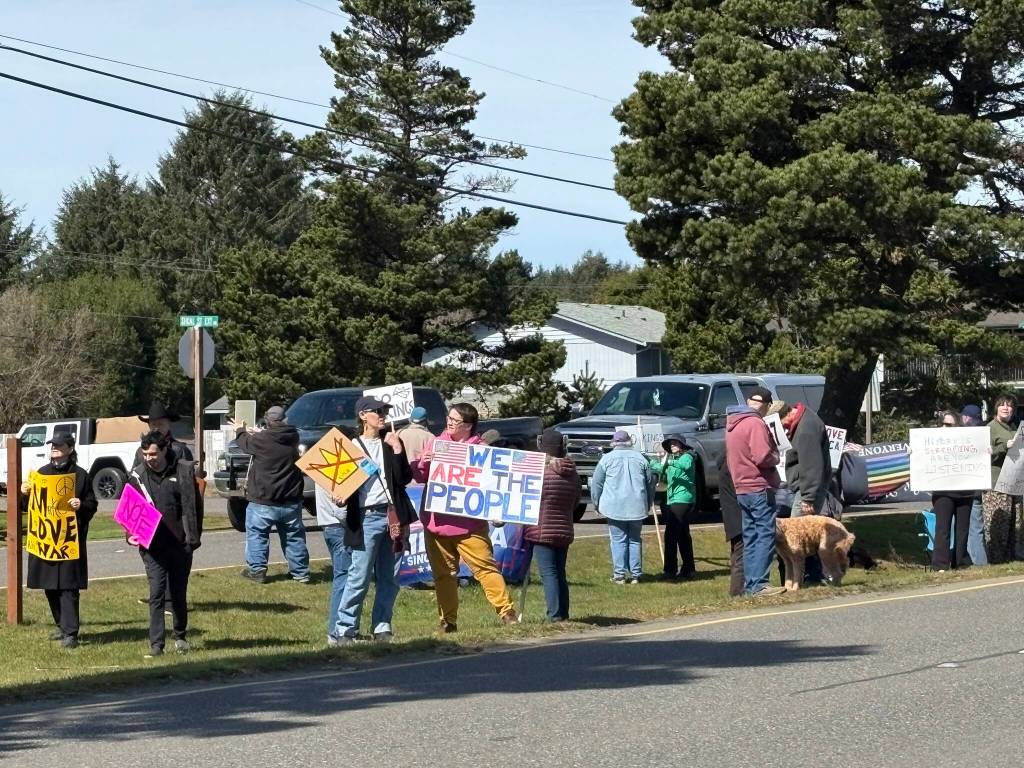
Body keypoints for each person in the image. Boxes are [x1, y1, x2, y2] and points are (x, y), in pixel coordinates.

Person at [412, 403, 518, 631]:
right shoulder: (436, 443)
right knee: (443, 575)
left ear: (468, 426)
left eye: (455, 420)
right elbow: (419, 476)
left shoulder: (480, 450)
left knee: (486, 569)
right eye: (448, 418)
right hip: (436, 522)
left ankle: (507, 612)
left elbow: (494, 485)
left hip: (469, 526)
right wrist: (424, 462)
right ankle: (447, 621)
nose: (449, 422)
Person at [331, 396, 417, 644]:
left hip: (393, 516)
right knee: (359, 576)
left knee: (390, 577)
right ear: (362, 415)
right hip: (366, 518)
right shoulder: (350, 447)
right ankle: (345, 629)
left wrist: (399, 450)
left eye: (385, 411)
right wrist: (340, 499)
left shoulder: (390, 443)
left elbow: (403, 479)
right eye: (377, 411)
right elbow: (342, 487)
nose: (383, 415)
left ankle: (382, 626)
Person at [128, 430, 202, 657]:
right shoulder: (137, 476)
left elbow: (194, 508)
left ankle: (180, 636)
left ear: (164, 450)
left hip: (180, 544)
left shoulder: (182, 472)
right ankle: (156, 645)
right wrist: (129, 534)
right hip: (152, 547)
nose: (149, 458)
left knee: (178, 594)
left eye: (153, 454)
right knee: (157, 593)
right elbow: (129, 509)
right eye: (145, 454)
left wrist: (193, 538)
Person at [22, 432, 98, 648]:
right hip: (46, 540)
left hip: (69, 541)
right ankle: (61, 625)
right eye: (52, 445)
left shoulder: (81, 475)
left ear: (70, 449)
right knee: (49, 586)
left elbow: (92, 504)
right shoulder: (41, 474)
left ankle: (71, 633)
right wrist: (24, 494)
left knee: (68, 587)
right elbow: (29, 508)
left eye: (58, 445)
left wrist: (80, 505)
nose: (53, 449)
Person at [233, 406, 310, 584]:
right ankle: (300, 573)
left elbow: (244, 442)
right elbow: (273, 437)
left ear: (268, 421)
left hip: (263, 499)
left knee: (257, 535)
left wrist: (239, 429)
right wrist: (258, 432)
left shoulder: (261, 440)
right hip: (290, 499)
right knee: (294, 537)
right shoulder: (293, 437)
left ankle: (257, 570)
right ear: (285, 419)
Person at [725, 386, 785, 597]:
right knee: (764, 535)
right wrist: (776, 457)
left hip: (741, 487)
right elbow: (762, 457)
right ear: (766, 406)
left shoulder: (733, 424)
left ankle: (750, 585)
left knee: (750, 536)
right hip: (758, 485)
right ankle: (759, 584)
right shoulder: (755, 423)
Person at [134, 402, 193, 612]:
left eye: (159, 423)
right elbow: (135, 479)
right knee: (154, 562)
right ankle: (159, 597)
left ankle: (171, 600)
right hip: (150, 512)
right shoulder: (141, 451)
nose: (156, 426)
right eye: (152, 424)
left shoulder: (181, 450)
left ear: (168, 423)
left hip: (173, 511)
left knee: (175, 560)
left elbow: (189, 485)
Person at [525, 429, 579, 621]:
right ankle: (563, 613)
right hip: (564, 527)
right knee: (560, 572)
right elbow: (576, 503)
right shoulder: (572, 473)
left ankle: (554, 615)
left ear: (541, 446)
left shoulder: (540, 473)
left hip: (542, 529)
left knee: (548, 573)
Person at [779, 399, 832, 585]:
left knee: (797, 535)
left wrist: (808, 497)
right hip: (804, 488)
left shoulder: (806, 430)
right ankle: (814, 576)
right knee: (806, 534)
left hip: (807, 491)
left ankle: (808, 577)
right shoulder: (803, 421)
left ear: (788, 415)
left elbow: (812, 465)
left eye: (782, 424)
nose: (783, 428)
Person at [591, 430, 655, 585]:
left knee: (618, 540)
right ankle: (636, 574)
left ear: (614, 442)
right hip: (637, 505)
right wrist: (649, 502)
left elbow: (596, 484)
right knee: (634, 539)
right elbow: (650, 483)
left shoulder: (606, 459)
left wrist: (596, 503)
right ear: (629, 441)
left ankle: (619, 575)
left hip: (614, 505)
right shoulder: (641, 458)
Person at [649, 434, 697, 580]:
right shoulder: (671, 460)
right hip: (672, 499)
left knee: (670, 535)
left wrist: (669, 463)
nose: (672, 446)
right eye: (670, 444)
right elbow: (659, 468)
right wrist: (648, 461)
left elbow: (685, 466)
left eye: (675, 443)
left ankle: (670, 571)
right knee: (682, 535)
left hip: (683, 499)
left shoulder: (688, 456)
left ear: (682, 445)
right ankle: (688, 569)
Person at [931, 410, 974, 571]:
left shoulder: (966, 441)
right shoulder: (932, 441)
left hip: (964, 491)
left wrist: (985, 451)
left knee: (963, 529)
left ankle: (961, 562)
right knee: (942, 528)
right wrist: (913, 453)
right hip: (943, 491)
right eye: (941, 424)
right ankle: (940, 564)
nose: (944, 427)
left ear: (957, 426)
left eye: (948, 424)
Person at [984, 394, 1021, 562]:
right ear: (996, 408)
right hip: (996, 483)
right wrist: (1003, 447)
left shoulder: (1015, 428)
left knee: (1015, 523)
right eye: (1003, 405)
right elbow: (983, 456)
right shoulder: (990, 428)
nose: (1006, 408)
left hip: (1015, 482)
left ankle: (1011, 558)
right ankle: (996, 560)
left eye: (1010, 405)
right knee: (998, 524)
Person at [315, 484, 351, 646]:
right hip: (339, 526)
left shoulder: (322, 464)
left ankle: (337, 629)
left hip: (328, 524)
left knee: (343, 577)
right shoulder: (335, 469)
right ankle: (336, 631)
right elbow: (340, 508)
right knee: (344, 579)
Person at [961, 404, 988, 566]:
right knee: (975, 528)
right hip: (976, 487)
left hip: (964, 489)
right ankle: (975, 561)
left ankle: (980, 563)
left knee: (971, 528)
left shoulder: (960, 434)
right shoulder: (984, 433)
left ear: (966, 417)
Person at [716, 452, 745, 597]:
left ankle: (737, 590)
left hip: (732, 520)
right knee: (740, 556)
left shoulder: (724, 467)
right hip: (738, 519)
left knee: (737, 555)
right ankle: (737, 591)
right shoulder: (730, 468)